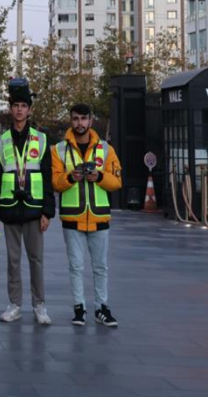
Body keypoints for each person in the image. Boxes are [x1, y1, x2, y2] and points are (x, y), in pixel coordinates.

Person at [0, 81, 54, 325]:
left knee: (36, 260)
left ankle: (39, 305)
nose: (19, 109)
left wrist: (48, 211)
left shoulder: (41, 139)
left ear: (29, 110)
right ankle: (14, 304)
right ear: (10, 109)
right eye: (15, 105)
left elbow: (47, 177)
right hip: (9, 209)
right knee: (13, 260)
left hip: (35, 210)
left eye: (23, 106)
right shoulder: (2, 141)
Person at [51, 103, 123, 327]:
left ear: (91, 120)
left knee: (101, 267)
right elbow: (54, 182)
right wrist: (70, 177)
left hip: (99, 216)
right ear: (70, 120)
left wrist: (99, 177)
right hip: (72, 216)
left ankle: (101, 307)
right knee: (76, 267)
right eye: (76, 119)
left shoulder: (106, 149)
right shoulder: (59, 150)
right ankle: (79, 308)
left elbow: (117, 182)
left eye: (84, 119)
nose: (80, 123)